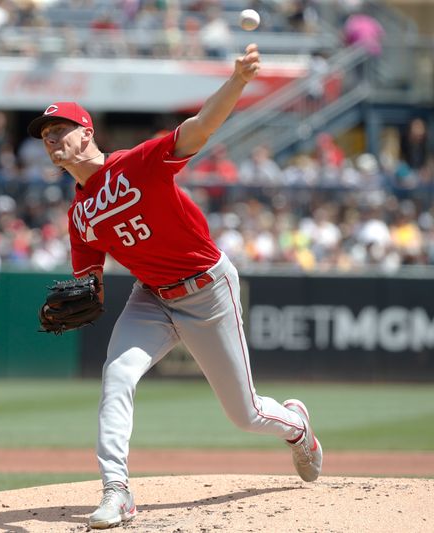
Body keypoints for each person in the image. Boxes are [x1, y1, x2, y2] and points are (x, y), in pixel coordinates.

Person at [26, 44, 323, 530]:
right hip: (153, 296)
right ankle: (116, 490)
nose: (53, 141)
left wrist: (238, 82)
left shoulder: (136, 164)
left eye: (61, 131)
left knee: (245, 415)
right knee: (117, 376)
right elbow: (89, 284)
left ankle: (297, 427)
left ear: (87, 133)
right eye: (46, 137)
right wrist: (78, 301)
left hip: (208, 289)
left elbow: (200, 128)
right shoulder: (78, 216)